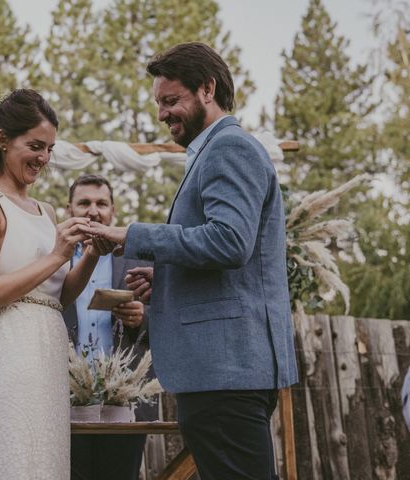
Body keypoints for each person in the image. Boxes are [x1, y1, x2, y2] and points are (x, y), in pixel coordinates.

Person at [81, 42, 299, 480]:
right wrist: (164, 276)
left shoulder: (229, 148)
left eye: (170, 100)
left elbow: (229, 242)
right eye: (159, 103)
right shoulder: (215, 151)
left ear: (207, 89)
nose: (162, 114)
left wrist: (134, 236)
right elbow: (228, 252)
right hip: (221, 372)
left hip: (226, 370)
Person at [0, 89, 108, 479]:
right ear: (3, 140)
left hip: (48, 350)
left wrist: (91, 252)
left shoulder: (47, 211)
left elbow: (59, 295)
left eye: (50, 149)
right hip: (11, 351)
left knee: (44, 460)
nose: (43, 158)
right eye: (35, 146)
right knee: (13, 457)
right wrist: (57, 255)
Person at [63, 174, 157, 480]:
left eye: (101, 203)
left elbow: (169, 317)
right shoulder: (53, 259)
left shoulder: (138, 258)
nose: (93, 210)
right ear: (69, 209)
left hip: (124, 401)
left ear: (112, 211)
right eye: (84, 203)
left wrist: (141, 318)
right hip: (65, 402)